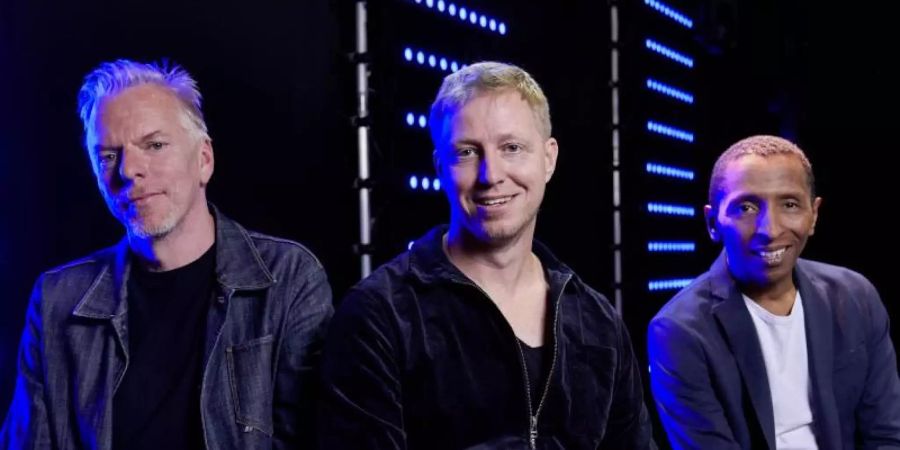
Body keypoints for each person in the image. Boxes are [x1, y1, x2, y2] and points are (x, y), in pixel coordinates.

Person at [319, 61, 654, 449]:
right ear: (439, 166)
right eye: (466, 152)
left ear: (549, 158)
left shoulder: (598, 322)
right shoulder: (380, 315)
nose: (490, 174)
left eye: (511, 148)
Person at [0, 59, 333, 449]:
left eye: (154, 145)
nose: (128, 170)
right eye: (107, 156)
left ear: (204, 160)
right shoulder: (58, 299)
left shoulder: (289, 279)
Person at [648, 135, 900, 449]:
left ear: (814, 215)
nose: (770, 229)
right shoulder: (679, 331)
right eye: (747, 207)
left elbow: (886, 437)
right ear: (713, 222)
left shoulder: (856, 297)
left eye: (790, 204)